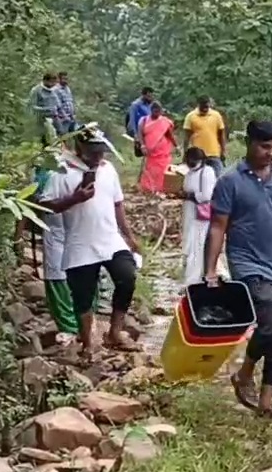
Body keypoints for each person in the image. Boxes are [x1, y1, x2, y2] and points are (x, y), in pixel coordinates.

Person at [203, 120, 272, 417]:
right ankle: (244, 372)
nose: (271, 153)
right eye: (265, 146)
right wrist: (210, 271)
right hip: (248, 266)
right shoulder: (230, 182)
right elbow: (217, 228)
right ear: (249, 143)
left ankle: (265, 404)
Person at [39, 125, 142, 360]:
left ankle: (115, 332)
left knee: (127, 277)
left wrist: (128, 235)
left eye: (100, 152)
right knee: (83, 296)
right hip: (80, 243)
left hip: (110, 239)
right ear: (79, 147)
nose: (98, 157)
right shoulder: (62, 172)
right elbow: (45, 205)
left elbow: (117, 203)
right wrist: (75, 198)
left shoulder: (108, 170)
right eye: (92, 152)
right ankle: (87, 343)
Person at [180, 146, 219, 285]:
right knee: (189, 245)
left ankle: (193, 280)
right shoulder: (190, 173)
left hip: (200, 214)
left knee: (197, 245)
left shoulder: (207, 172)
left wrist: (191, 195)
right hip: (189, 212)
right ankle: (191, 276)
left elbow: (206, 195)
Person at [137, 102, 176, 193]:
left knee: (163, 170)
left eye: (159, 111)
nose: (157, 113)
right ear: (151, 110)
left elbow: (169, 134)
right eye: (155, 111)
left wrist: (176, 146)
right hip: (150, 151)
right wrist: (142, 146)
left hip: (163, 152)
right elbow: (140, 134)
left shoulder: (164, 121)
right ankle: (148, 188)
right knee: (150, 170)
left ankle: (161, 188)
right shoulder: (144, 120)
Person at [183, 97, 226, 173]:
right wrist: (185, 153)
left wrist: (223, 151)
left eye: (207, 107)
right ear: (198, 105)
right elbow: (187, 137)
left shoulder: (216, 115)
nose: (205, 109)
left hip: (214, 154)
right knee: (197, 177)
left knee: (218, 178)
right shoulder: (190, 116)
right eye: (203, 107)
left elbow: (221, 135)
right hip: (197, 155)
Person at [26, 72, 60, 145]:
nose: (53, 84)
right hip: (42, 120)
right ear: (45, 81)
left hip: (55, 118)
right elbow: (32, 107)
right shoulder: (36, 90)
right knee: (46, 140)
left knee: (58, 139)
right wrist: (47, 109)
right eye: (51, 82)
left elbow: (57, 103)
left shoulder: (54, 89)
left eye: (55, 82)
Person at [126, 87, 154, 152]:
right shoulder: (135, 105)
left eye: (151, 96)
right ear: (143, 95)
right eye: (148, 96)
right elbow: (132, 121)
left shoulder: (150, 105)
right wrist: (136, 135)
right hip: (140, 132)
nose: (150, 98)